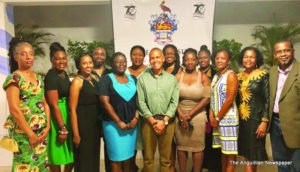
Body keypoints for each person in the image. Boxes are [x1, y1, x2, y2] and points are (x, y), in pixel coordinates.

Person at [3, 38, 50, 172]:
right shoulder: (14, 79)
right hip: (23, 133)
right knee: (24, 165)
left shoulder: (39, 78)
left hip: (41, 132)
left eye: (31, 53)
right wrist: (30, 134)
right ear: (16, 57)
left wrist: (47, 127)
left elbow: (45, 104)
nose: (28, 57)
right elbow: (14, 109)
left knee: (40, 165)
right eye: (23, 54)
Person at [137, 48, 179, 172]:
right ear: (149, 60)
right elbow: (140, 102)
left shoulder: (171, 79)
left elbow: (174, 102)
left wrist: (164, 121)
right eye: (152, 58)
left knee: (166, 160)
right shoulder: (142, 79)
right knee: (148, 159)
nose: (155, 60)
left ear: (163, 59)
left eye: (157, 57)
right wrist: (152, 121)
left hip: (167, 123)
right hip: (148, 123)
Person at [98, 52, 139, 172]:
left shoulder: (133, 79)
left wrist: (136, 118)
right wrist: (119, 122)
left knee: (128, 157)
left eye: (124, 61)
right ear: (112, 64)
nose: (122, 64)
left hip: (132, 125)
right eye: (118, 62)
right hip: (113, 125)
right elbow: (105, 103)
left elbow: (139, 100)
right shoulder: (106, 79)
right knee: (116, 158)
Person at [174, 48, 211, 172]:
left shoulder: (204, 78)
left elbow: (206, 98)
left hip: (198, 115)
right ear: (183, 61)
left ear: (197, 61)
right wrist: (180, 114)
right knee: (181, 147)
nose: (190, 62)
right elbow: (172, 98)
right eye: (187, 59)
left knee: (198, 148)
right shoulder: (177, 76)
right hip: (179, 114)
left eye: (193, 59)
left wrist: (189, 114)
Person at [268, 40, 300, 172]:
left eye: (286, 50)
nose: (283, 54)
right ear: (274, 55)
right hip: (275, 124)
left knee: (297, 165)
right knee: (281, 163)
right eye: (279, 52)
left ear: (293, 52)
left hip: (296, 126)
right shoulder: (272, 72)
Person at [237, 47, 269, 172]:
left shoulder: (263, 75)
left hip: (256, 121)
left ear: (257, 59)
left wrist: (264, 121)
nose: (248, 59)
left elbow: (268, 100)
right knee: (246, 154)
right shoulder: (238, 76)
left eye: (252, 56)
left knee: (252, 155)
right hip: (242, 121)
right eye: (246, 56)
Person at [69, 53, 100, 172]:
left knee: (94, 156)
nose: (88, 65)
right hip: (83, 124)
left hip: (94, 123)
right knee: (84, 159)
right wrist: (76, 134)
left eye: (90, 62)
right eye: (84, 63)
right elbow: (72, 109)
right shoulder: (77, 82)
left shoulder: (94, 78)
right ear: (79, 65)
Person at [45, 42, 73, 172]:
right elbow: (54, 105)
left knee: (70, 153)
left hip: (67, 113)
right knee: (56, 154)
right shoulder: (51, 76)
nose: (61, 61)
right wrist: (62, 128)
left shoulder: (64, 74)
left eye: (64, 58)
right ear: (51, 60)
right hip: (58, 116)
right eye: (57, 58)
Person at [210, 49, 238, 172]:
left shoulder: (231, 75)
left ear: (228, 61)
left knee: (230, 154)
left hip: (228, 120)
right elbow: (212, 97)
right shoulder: (217, 75)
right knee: (223, 153)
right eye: (217, 58)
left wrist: (217, 118)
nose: (219, 60)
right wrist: (212, 116)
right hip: (218, 120)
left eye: (223, 58)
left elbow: (229, 100)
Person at [198, 45, 221, 172]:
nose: (202, 60)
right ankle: (200, 166)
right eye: (200, 58)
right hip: (199, 111)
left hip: (213, 111)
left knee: (213, 141)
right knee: (201, 142)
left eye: (205, 57)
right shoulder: (195, 73)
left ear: (210, 58)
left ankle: (214, 167)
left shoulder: (217, 73)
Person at [125, 45, 148, 172]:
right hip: (129, 112)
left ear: (144, 56)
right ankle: (132, 167)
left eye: (140, 54)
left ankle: (146, 167)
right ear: (130, 56)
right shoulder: (126, 71)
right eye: (134, 54)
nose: (137, 57)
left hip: (145, 112)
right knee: (131, 144)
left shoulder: (149, 71)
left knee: (145, 144)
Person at [91, 46, 111, 172]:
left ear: (105, 57)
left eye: (102, 54)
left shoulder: (110, 72)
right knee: (92, 147)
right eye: (96, 54)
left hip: (107, 113)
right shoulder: (86, 71)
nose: (99, 56)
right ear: (92, 55)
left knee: (109, 147)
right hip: (91, 113)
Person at [162, 44, 181, 172]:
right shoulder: (159, 68)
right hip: (163, 108)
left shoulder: (180, 70)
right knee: (167, 141)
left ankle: (173, 166)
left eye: (172, 53)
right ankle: (168, 166)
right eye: (167, 53)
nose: (169, 56)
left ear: (176, 56)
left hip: (177, 108)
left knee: (176, 140)